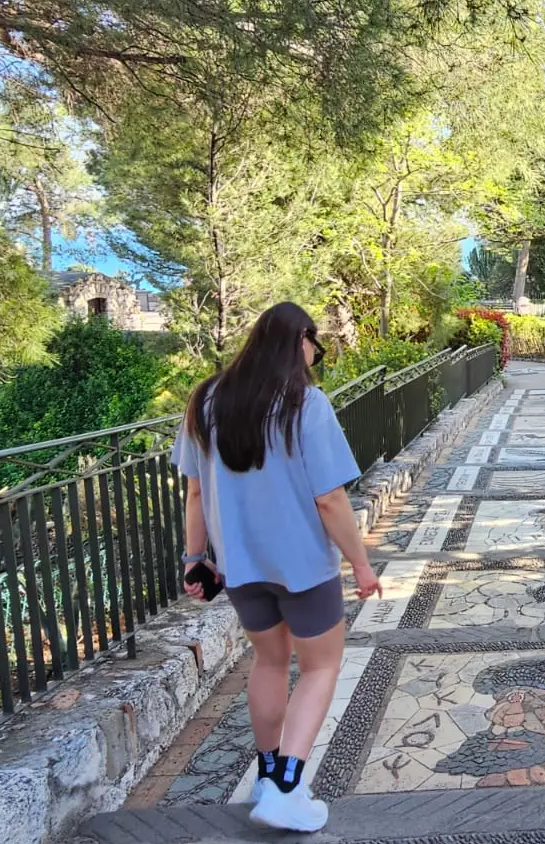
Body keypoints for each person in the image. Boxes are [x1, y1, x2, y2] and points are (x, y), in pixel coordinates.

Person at [173, 303, 382, 832]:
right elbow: (331, 499)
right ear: (302, 341)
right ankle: (289, 788)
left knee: (269, 663)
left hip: (241, 568)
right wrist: (361, 564)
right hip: (304, 567)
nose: (317, 354)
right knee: (319, 667)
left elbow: (196, 491)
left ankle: (268, 777)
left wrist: (195, 559)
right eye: (317, 344)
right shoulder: (305, 404)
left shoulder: (206, 400)